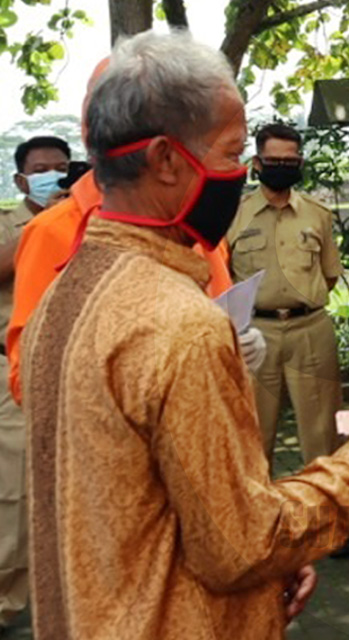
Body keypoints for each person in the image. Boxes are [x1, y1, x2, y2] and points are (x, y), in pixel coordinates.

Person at [20, 30, 349, 640]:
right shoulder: (178, 323)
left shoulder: (69, 289)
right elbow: (242, 546)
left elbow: (154, 507)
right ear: (164, 159)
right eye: (232, 152)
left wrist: (266, 567)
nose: (238, 174)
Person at [4, 58, 258, 406]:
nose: (234, 169)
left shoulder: (201, 227)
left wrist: (236, 348)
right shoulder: (53, 232)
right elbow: (29, 383)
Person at [228, 124, 343, 466]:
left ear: (300, 163)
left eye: (289, 160)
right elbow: (221, 277)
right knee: (251, 435)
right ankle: (256, 516)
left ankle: (326, 516)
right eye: (273, 160)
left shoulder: (317, 215)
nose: (281, 167)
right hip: (253, 334)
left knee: (322, 434)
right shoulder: (234, 215)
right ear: (257, 163)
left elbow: (330, 274)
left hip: (309, 330)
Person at [0, 135, 70, 637]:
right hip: (16, 374)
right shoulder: (12, 225)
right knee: (15, 493)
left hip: (74, 371)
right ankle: (6, 602)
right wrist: (47, 226)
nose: (53, 176)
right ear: (22, 179)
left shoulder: (86, 220)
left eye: (61, 168)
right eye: (42, 169)